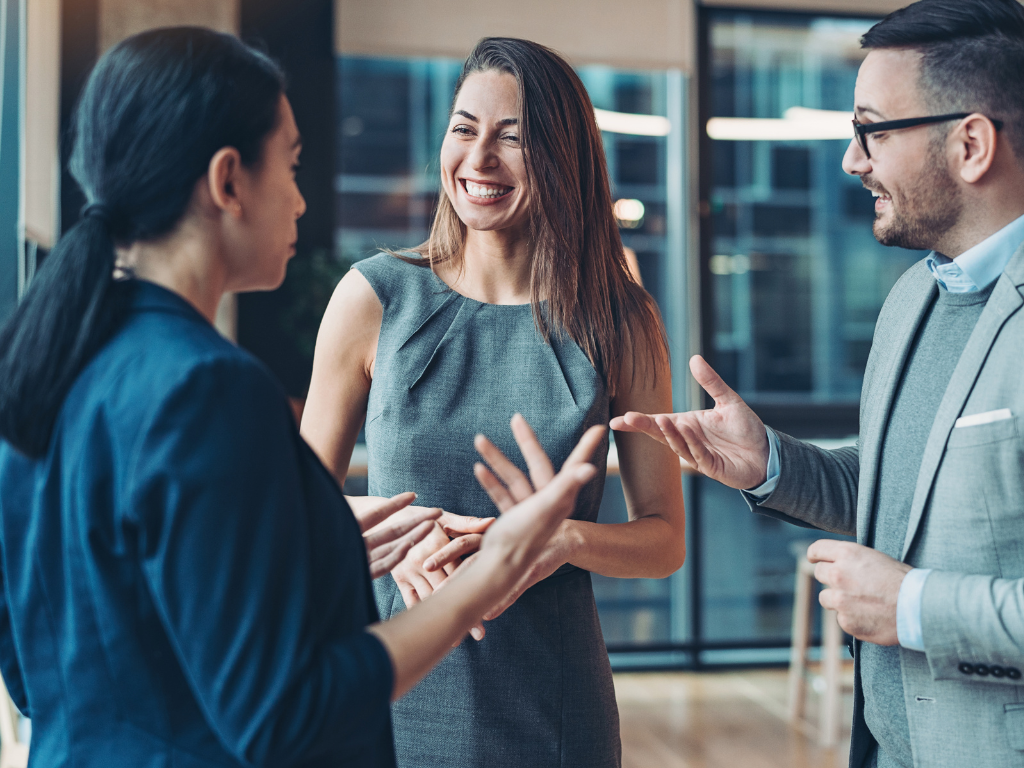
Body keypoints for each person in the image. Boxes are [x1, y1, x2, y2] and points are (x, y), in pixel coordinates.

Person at [0, 27, 605, 767]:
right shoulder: (208, 388)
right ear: (229, 182)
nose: (299, 199)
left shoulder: (46, 358)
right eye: (289, 164)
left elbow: (34, 666)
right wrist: (490, 574)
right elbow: (287, 714)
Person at [614, 1, 1024, 766]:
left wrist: (913, 608)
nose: (852, 160)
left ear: (971, 143)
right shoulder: (913, 300)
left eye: (872, 130)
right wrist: (770, 460)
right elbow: (900, 492)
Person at [302, 37, 686, 768]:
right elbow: (293, 519)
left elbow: (665, 538)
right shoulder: (373, 298)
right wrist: (388, 537)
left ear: (564, 158)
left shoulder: (621, 320)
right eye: (464, 128)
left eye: (513, 139)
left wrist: (563, 539)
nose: (478, 160)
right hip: (392, 687)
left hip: (554, 704)